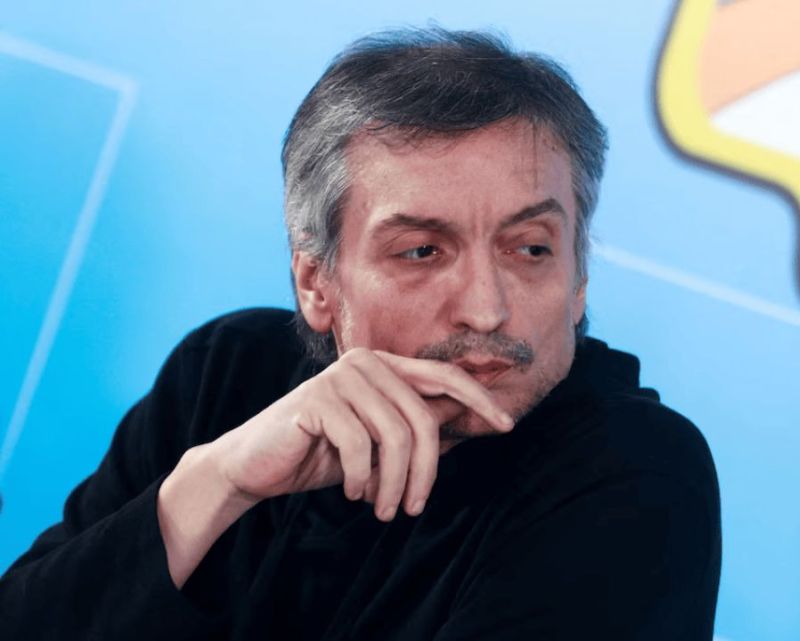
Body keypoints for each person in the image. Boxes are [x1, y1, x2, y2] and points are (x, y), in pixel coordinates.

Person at [0, 28, 722, 640]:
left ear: (579, 275)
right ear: (317, 282)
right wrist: (217, 483)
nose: (486, 309)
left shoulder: (638, 470)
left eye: (531, 248)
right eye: (422, 251)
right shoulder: (227, 371)